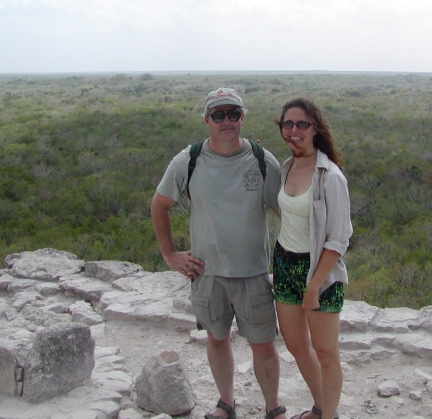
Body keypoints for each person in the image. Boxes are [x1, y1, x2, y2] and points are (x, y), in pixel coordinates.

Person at [151, 88, 287, 419]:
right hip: (207, 273)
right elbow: (160, 204)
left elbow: (286, 210)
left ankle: (273, 407)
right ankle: (226, 402)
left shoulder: (261, 159)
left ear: (242, 117)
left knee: (264, 345)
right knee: (216, 338)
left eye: (233, 113)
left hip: (252, 272)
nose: (226, 121)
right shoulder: (189, 160)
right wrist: (170, 255)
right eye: (218, 115)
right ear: (207, 120)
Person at [272, 98, 353, 419]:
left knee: (326, 353)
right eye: (287, 124)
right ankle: (320, 407)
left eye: (301, 124)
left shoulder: (329, 176)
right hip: (284, 264)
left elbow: (339, 238)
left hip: (319, 271)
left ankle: (329, 416)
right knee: (295, 345)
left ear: (315, 129)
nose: (293, 131)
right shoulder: (287, 166)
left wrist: (314, 286)